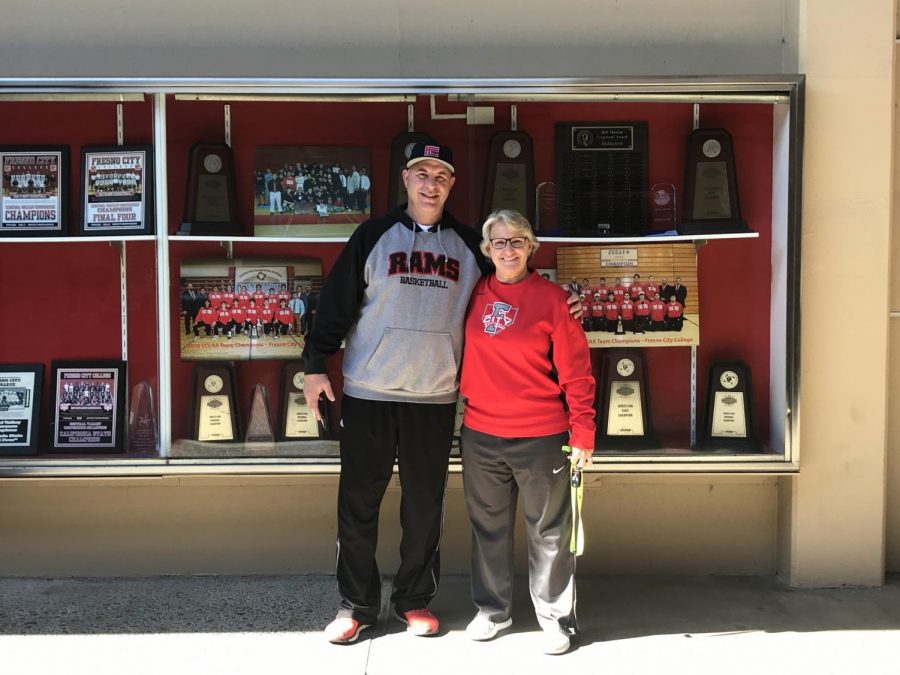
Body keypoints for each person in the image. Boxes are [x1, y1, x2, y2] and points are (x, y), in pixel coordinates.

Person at [301, 142, 582, 645]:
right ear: (406, 180)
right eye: (422, 174)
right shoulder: (372, 236)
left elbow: (513, 284)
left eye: (441, 176)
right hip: (369, 393)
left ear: (451, 185)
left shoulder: (470, 244)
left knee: (424, 506)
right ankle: (356, 605)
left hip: (434, 399)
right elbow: (336, 304)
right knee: (359, 502)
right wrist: (313, 364)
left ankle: (413, 600)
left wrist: (566, 303)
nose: (431, 184)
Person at [459, 209, 595, 656]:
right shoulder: (472, 293)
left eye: (517, 241)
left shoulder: (555, 300)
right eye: (499, 242)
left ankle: (555, 620)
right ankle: (492, 611)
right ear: (486, 250)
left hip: (541, 436)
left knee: (550, 532)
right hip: (480, 433)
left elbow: (577, 374)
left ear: (531, 246)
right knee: (488, 528)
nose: (508, 249)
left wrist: (583, 433)